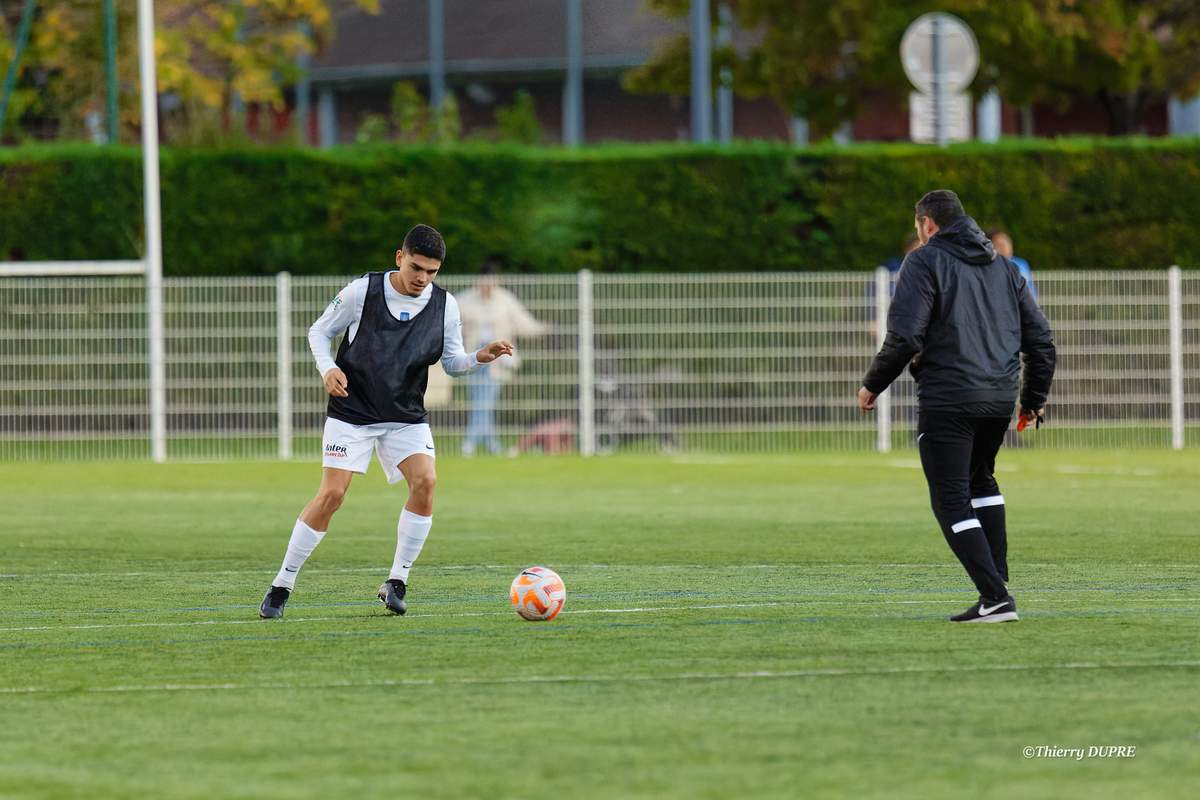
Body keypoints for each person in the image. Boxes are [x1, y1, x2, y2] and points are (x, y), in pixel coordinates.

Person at [259, 225, 514, 619]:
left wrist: (479, 357)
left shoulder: (445, 306)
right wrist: (327, 369)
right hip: (354, 412)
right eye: (416, 267)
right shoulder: (363, 291)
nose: (422, 278)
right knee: (332, 496)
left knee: (426, 481)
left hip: (404, 416)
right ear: (400, 257)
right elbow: (319, 331)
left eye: (432, 272)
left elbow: (451, 362)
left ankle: (397, 581)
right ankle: (282, 584)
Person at [857, 190, 1056, 624]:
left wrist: (873, 383)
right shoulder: (1004, 268)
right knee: (981, 480)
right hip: (999, 398)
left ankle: (995, 596)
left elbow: (906, 336)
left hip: (949, 396)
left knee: (951, 498)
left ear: (928, 225)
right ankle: (997, 589)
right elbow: (1041, 340)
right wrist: (1033, 400)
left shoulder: (923, 262)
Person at [455, 262, 547, 456]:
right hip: (473, 357)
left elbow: (523, 322)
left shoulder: (505, 300)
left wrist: (543, 329)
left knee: (485, 401)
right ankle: (493, 445)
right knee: (482, 402)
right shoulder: (464, 300)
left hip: (497, 360)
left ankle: (469, 444)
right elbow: (451, 326)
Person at [987, 230, 1038, 299]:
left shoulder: (1021, 264)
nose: (1005, 248)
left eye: (1007, 243)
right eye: (999, 245)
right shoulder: (987, 267)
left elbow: (1031, 289)